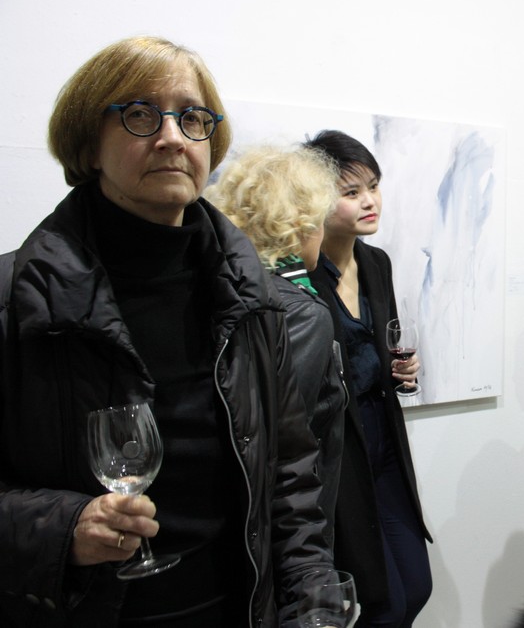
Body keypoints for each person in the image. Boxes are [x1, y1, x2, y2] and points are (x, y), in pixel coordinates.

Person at [0, 36, 333, 627]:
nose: (174, 137)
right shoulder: (16, 299)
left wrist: (312, 601)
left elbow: (289, 476)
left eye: (194, 118)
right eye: (140, 114)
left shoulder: (253, 301)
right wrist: (62, 528)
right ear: (88, 144)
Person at [305, 130, 432, 628]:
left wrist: (401, 371)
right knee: (381, 603)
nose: (369, 201)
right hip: (338, 448)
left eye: (374, 186)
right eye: (351, 191)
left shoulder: (376, 262)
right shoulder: (300, 272)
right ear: (317, 197)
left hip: (384, 437)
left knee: (417, 587)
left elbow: (382, 345)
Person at [205, 144, 348, 549]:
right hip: (283, 529)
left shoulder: (226, 287)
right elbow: (281, 442)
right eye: (320, 222)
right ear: (302, 226)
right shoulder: (301, 312)